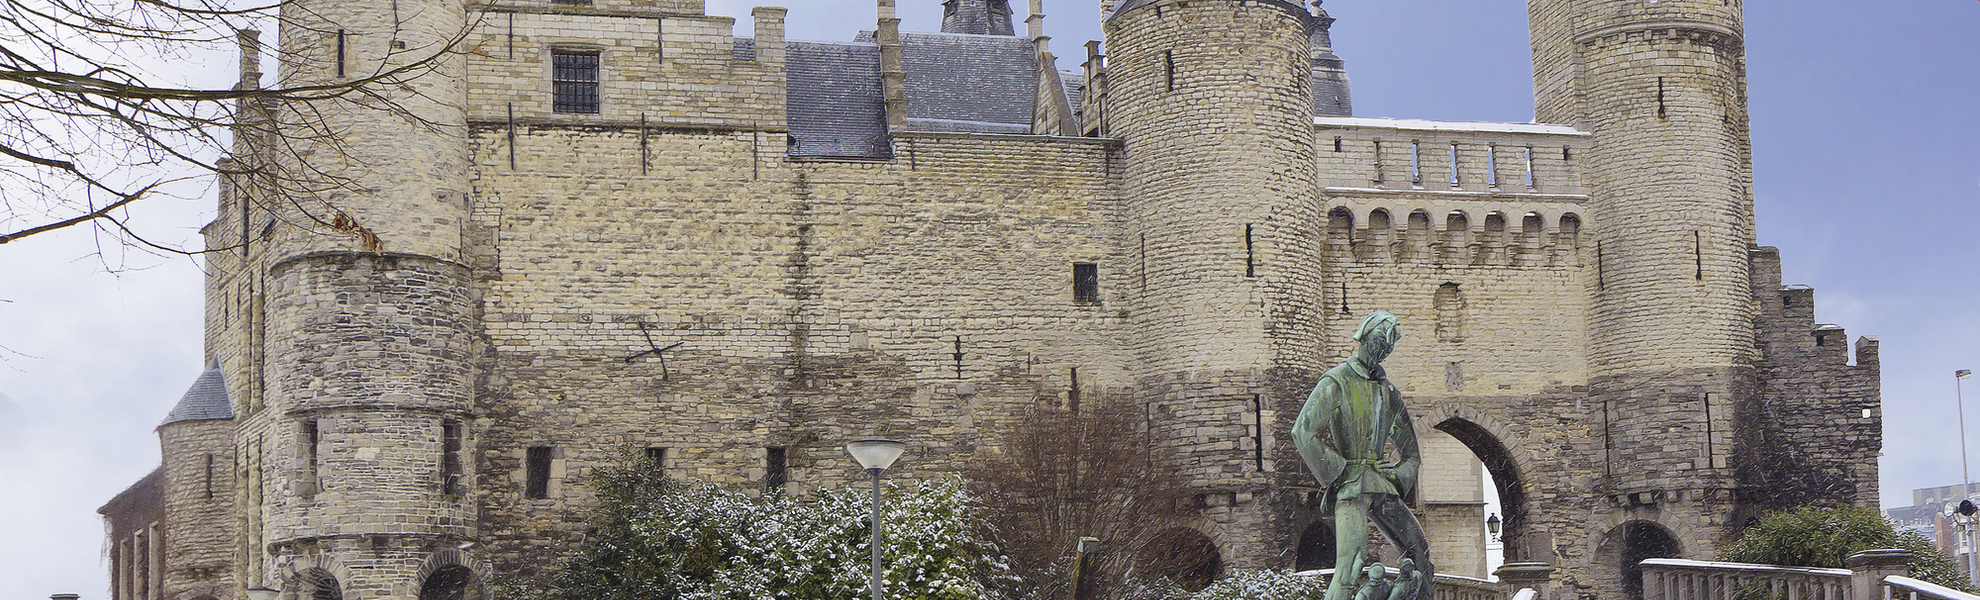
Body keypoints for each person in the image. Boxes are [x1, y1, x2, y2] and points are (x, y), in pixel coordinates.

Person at [1293, 311, 1436, 600]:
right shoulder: (1337, 381)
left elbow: (1411, 454)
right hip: (1351, 485)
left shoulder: (1389, 391)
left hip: (1381, 485)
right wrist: (1340, 469)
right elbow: (1302, 431)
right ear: (1364, 337)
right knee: (1350, 567)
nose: (1383, 350)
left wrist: (1395, 475)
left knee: (1419, 554)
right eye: (1379, 341)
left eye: (1389, 345)